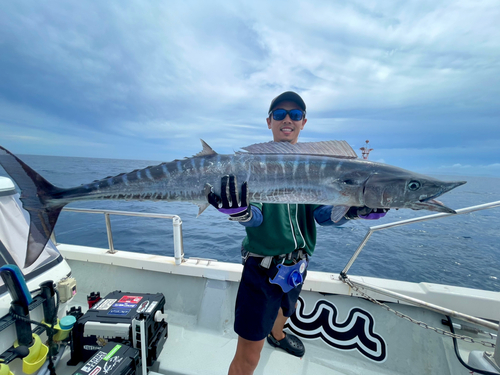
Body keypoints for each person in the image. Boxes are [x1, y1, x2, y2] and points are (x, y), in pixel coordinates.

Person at [206, 91, 388, 375]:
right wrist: (239, 212)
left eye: (295, 115)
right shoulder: (254, 167)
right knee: (247, 357)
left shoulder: (316, 168)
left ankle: (277, 335)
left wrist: (352, 211)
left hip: (298, 263)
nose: (287, 119)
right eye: (279, 114)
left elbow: (320, 215)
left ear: (304, 122)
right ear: (269, 121)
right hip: (263, 267)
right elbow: (255, 217)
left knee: (285, 310)